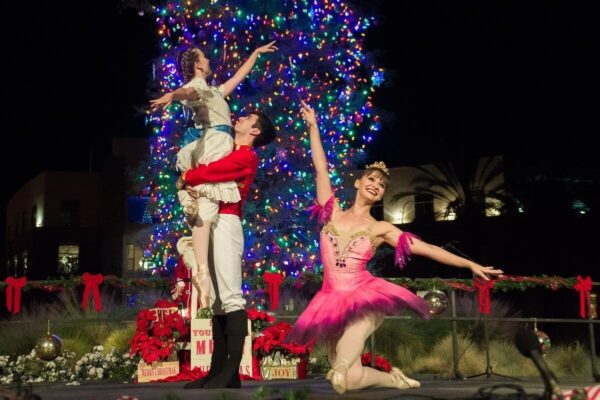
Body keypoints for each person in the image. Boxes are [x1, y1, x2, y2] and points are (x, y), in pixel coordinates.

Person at [285, 101, 503, 394]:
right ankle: (392, 378)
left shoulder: (380, 228)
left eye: (383, 185)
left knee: (346, 356)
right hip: (331, 298)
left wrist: (469, 264)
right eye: (372, 179)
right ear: (359, 182)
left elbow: (426, 248)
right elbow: (320, 168)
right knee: (349, 381)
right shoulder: (331, 211)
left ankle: (338, 367)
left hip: (365, 295)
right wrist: (313, 127)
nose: (376, 185)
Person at [150, 42, 277, 311]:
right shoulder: (200, 89)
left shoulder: (214, 92)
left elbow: (237, 77)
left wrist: (253, 55)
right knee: (204, 207)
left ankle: (202, 269)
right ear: (198, 65)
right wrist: (172, 96)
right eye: (205, 57)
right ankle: (202, 271)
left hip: (214, 144)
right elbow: (189, 92)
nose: (209, 59)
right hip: (210, 145)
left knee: (204, 203)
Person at [178, 110, 276, 389]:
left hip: (227, 223)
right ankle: (217, 370)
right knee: (218, 301)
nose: (241, 118)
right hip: (211, 221)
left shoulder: (246, 156)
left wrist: (189, 175)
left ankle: (231, 371)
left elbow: (212, 172)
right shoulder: (226, 148)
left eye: (248, 119)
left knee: (231, 297)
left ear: (255, 131)